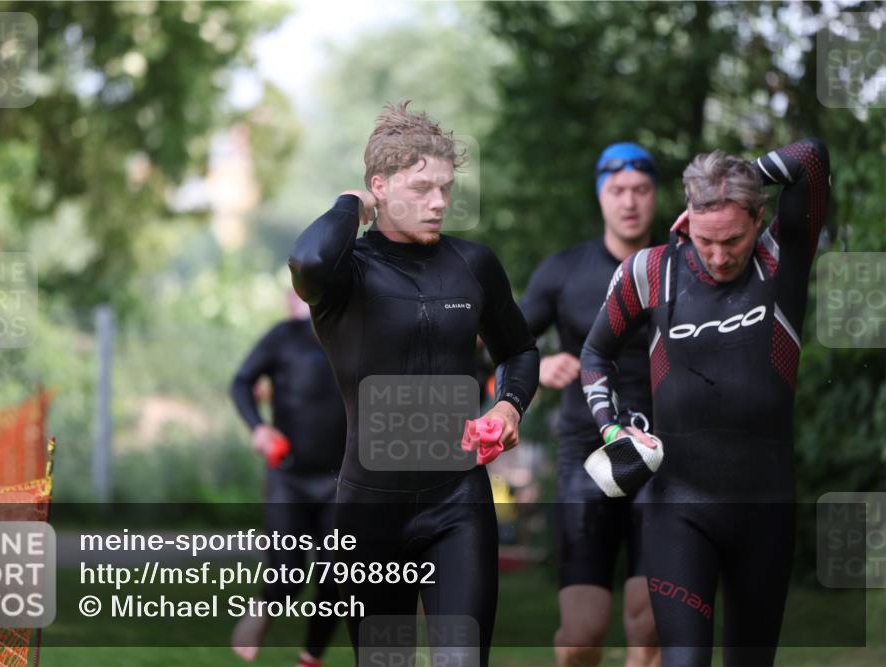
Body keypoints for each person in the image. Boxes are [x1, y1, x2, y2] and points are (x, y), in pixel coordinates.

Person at [289, 100, 539, 666]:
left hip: (459, 504)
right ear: (380, 186)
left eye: (447, 189)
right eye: (423, 187)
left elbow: (520, 350)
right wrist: (349, 204)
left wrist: (508, 407)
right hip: (369, 510)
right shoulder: (346, 275)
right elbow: (307, 258)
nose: (440, 202)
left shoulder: (473, 264)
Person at [580, 139, 830, 666]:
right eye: (704, 239)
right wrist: (612, 429)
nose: (718, 256)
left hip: (766, 509)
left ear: (759, 217)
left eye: (732, 239)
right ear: (686, 218)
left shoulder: (781, 257)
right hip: (678, 510)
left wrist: (738, 176)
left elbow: (811, 157)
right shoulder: (650, 272)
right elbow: (596, 354)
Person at [519, 143, 660, 667]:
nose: (629, 202)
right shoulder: (564, 271)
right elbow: (503, 342)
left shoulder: (678, 268)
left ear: (655, 195)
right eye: (617, 190)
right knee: (581, 633)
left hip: (662, 452)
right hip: (587, 453)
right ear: (600, 195)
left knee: (649, 624)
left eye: (641, 190)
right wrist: (537, 365)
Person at [228, 289, 347, 667]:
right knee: (287, 575)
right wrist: (258, 429)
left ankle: (310, 658)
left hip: (342, 480)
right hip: (289, 478)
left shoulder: (360, 339)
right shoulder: (284, 337)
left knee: (337, 579)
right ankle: (263, 606)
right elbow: (241, 381)